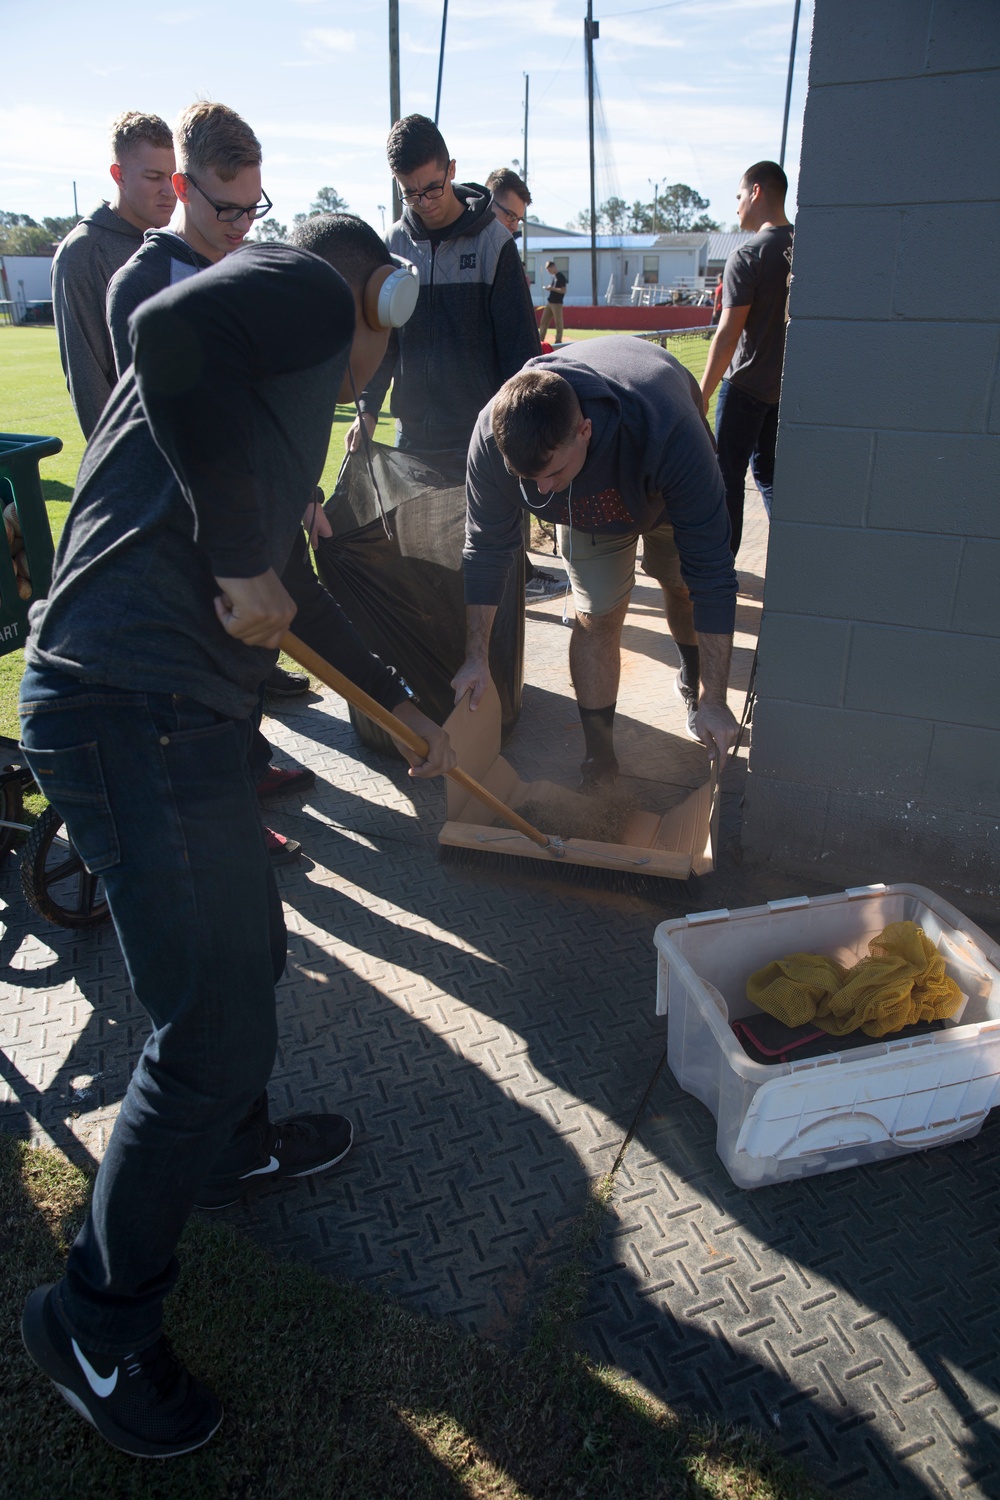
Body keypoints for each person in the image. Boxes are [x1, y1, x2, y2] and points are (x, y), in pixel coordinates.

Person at [18, 221, 455, 1460]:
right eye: (394, 329)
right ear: (387, 288)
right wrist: (227, 546)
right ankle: (94, 1323)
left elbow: (289, 581)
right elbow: (156, 327)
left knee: (242, 970)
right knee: (207, 1030)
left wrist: (404, 704)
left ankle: (228, 1148)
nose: (379, 365)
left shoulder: (270, 396)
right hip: (127, 704)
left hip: (176, 714)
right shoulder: (310, 293)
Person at [107, 99, 311, 856]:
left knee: (239, 686)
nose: (240, 223)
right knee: (198, 700)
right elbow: (168, 433)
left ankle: (241, 790)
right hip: (187, 534)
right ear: (185, 187)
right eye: (224, 207)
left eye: (252, 207)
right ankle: (227, 834)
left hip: (248, 522)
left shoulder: (245, 267)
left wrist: (301, 494)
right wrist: (223, 545)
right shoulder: (146, 282)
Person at [452, 336, 739, 784]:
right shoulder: (491, 436)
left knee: (684, 589)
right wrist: (475, 657)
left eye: (552, 473)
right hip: (590, 510)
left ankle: (694, 681)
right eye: (525, 478)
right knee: (597, 616)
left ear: (584, 430)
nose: (539, 491)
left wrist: (717, 698)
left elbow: (714, 576)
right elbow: (486, 549)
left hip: (663, 493)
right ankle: (599, 760)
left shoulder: (670, 430)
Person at [346, 114, 540, 462]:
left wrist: (521, 433)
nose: (425, 201)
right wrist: (368, 408)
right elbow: (383, 342)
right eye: (410, 193)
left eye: (433, 187)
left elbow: (519, 351)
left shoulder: (495, 244)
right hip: (411, 439)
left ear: (451, 170)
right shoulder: (390, 247)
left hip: (484, 438)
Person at [51, 110, 176, 438]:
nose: (169, 190)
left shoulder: (179, 241)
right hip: (140, 461)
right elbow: (87, 380)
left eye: (174, 176)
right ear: (118, 174)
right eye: (154, 177)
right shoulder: (83, 252)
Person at [699, 160, 793, 558]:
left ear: (756, 191)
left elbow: (728, 333)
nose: (736, 207)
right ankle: (794, 557)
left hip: (746, 387)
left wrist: (700, 393)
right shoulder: (807, 247)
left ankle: (721, 568)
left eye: (738, 196)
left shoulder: (749, 253)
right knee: (770, 475)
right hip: (782, 388)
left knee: (727, 477)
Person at [486, 167, 567, 602]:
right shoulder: (483, 248)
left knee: (510, 491)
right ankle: (519, 578)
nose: (513, 226)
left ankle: (524, 573)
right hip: (481, 403)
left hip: (506, 395)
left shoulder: (503, 252)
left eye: (518, 219)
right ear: (488, 200)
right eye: (508, 215)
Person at [539, 260, 567, 343]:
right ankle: (540, 340)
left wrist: (552, 289)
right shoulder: (554, 277)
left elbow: (563, 290)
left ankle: (558, 341)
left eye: (549, 269)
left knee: (558, 323)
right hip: (550, 302)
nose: (549, 272)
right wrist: (550, 288)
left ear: (553, 266)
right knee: (543, 322)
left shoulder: (560, 276)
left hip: (557, 303)